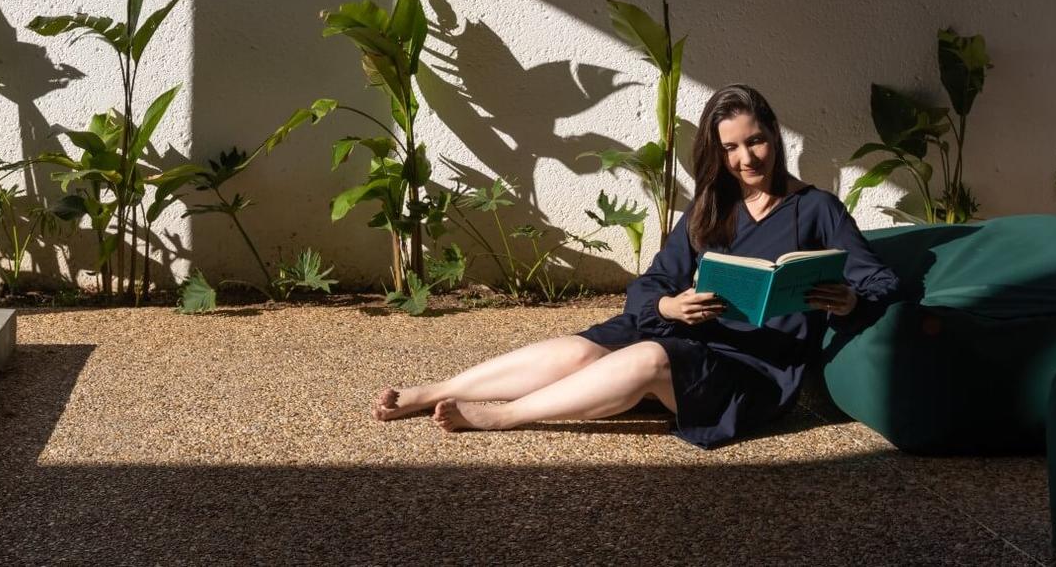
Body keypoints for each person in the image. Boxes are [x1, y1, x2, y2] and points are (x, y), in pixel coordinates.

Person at [372, 84, 900, 448]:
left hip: (751, 366)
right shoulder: (711, 206)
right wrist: (670, 306)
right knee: (580, 350)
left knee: (648, 356)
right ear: (717, 153)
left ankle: (505, 415)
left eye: (756, 140)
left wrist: (850, 300)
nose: (747, 158)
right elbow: (654, 282)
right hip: (689, 333)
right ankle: (433, 391)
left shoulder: (818, 208)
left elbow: (879, 280)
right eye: (732, 148)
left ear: (775, 136)